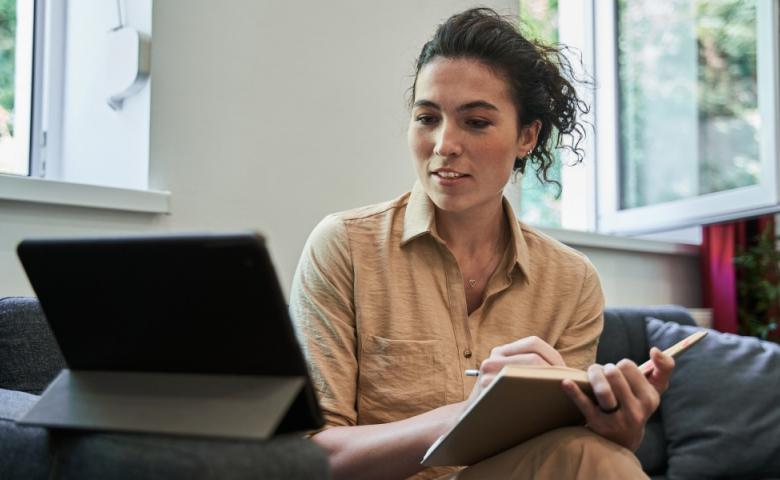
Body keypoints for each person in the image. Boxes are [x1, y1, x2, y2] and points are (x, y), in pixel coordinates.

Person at [290, 7, 674, 480]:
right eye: (427, 117)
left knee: (595, 454)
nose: (443, 144)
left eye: (475, 122)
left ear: (527, 136)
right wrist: (469, 412)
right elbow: (311, 458)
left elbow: (566, 446)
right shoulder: (344, 247)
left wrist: (621, 427)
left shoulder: (571, 281)